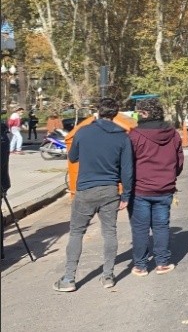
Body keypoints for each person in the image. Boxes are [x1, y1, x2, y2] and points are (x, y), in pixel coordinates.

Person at [53, 98, 133, 291]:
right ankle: (108, 277)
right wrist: (126, 196)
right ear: (115, 114)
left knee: (77, 232)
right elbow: (127, 170)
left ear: (98, 112)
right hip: (110, 190)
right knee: (109, 232)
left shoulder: (83, 132)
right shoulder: (123, 137)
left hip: (85, 190)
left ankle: (69, 279)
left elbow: (72, 157)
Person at [127, 98, 183, 276]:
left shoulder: (134, 135)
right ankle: (162, 263)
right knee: (161, 226)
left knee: (140, 228)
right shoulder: (173, 134)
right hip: (165, 187)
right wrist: (170, 176)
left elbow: (127, 164)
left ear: (144, 113)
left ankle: (141, 266)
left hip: (141, 189)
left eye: (138, 112)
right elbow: (179, 162)